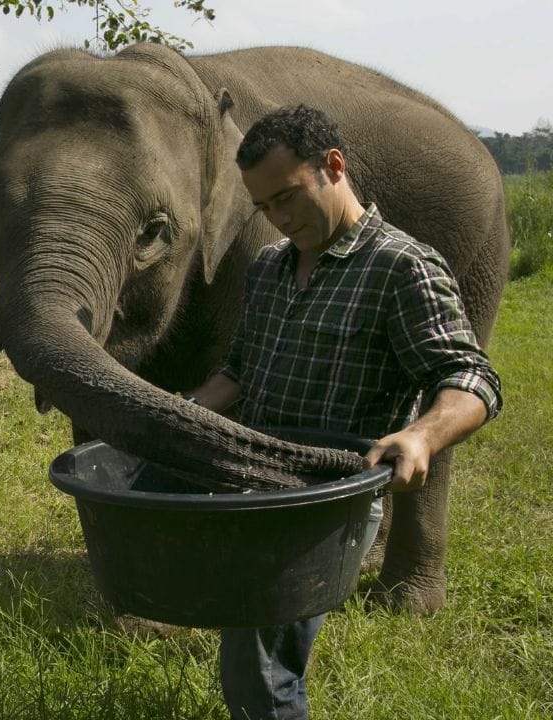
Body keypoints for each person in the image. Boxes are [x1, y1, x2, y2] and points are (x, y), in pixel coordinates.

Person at [183, 105, 502, 719]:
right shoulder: (270, 268)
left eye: (287, 197)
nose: (277, 218)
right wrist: (181, 411)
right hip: (260, 485)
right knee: (253, 649)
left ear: (334, 167)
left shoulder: (401, 267)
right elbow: (239, 372)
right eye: (263, 207)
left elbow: (471, 377)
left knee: (260, 663)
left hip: (328, 502)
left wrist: (421, 436)